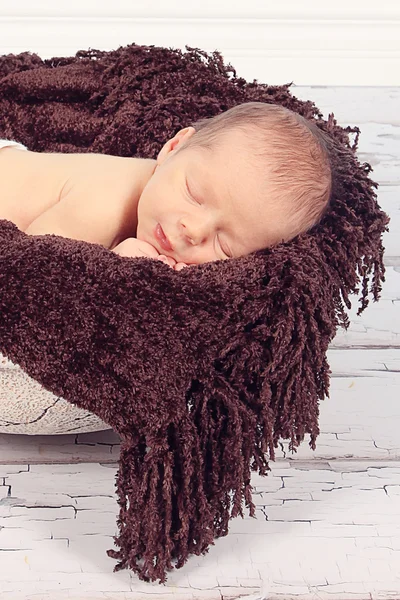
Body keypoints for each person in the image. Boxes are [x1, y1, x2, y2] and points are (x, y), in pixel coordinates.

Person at [0, 102, 332, 271]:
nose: (193, 230)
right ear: (173, 148)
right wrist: (118, 267)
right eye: (194, 194)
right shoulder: (105, 204)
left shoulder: (160, 193)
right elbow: (31, 267)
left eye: (225, 246)